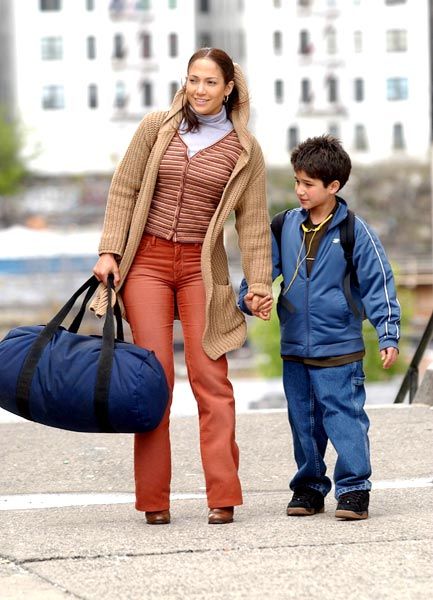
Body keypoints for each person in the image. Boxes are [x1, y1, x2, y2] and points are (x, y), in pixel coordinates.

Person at [91, 48, 273, 525]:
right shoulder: (157, 127)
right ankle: (154, 501)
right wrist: (110, 250)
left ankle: (223, 496)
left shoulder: (245, 150)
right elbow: (124, 188)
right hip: (146, 263)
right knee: (154, 382)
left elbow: (253, 223)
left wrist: (258, 283)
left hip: (200, 268)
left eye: (210, 82)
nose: (199, 89)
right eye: (193, 79)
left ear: (229, 88)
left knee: (211, 379)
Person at [239, 134, 400, 520]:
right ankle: (309, 488)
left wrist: (388, 333)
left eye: (308, 184)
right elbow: (261, 272)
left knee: (345, 419)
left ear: (333, 186)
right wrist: (251, 297)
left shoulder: (355, 231)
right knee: (303, 424)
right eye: (297, 181)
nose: (300, 190)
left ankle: (354, 490)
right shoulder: (283, 226)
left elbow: (379, 284)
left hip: (340, 347)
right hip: (295, 346)